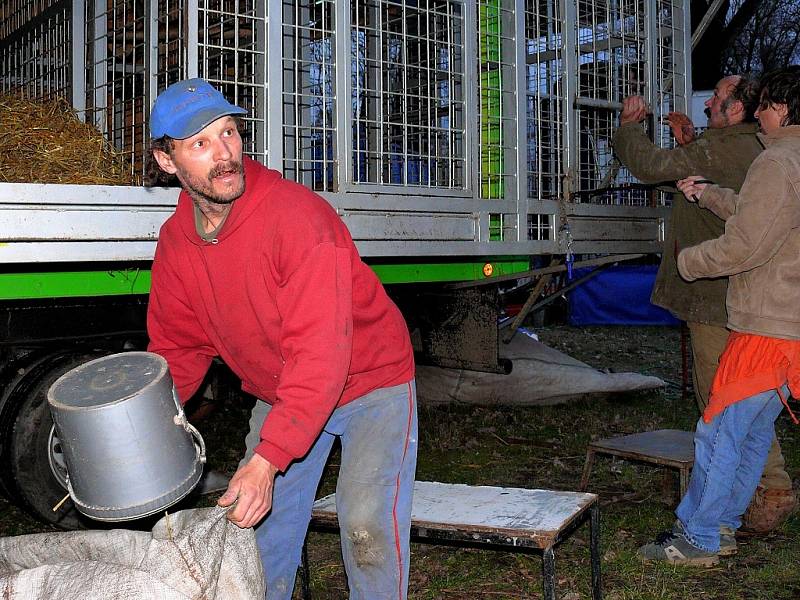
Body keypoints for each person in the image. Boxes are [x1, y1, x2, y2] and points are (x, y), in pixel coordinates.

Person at [144, 78, 417, 599]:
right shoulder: (177, 242)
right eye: (200, 144)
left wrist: (267, 461)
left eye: (228, 133)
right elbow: (178, 347)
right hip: (284, 388)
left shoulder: (298, 220)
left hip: (370, 382)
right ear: (167, 161)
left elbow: (321, 355)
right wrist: (142, 429)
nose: (224, 155)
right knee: (256, 531)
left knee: (368, 530)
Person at [612, 77, 797, 532]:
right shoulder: (763, 153)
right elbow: (755, 209)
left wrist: (628, 128)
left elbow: (651, 165)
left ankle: (712, 527)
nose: (759, 113)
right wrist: (706, 188)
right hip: (776, 315)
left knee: (720, 420)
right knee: (749, 419)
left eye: (718, 98)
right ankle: (744, 508)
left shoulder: (768, 157)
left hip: (750, 313)